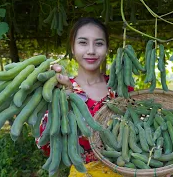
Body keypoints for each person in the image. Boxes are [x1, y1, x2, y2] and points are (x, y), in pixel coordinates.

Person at [35, 17, 134, 177]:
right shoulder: (61, 90)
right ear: (72, 48)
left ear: (107, 48)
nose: (91, 50)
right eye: (83, 42)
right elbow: (46, 145)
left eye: (99, 43)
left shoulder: (121, 88)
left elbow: (141, 132)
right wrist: (63, 102)